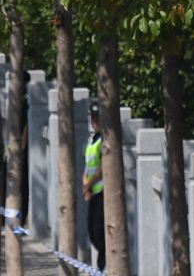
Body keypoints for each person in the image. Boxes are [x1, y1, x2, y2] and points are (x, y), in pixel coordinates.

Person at [84, 105, 106, 269]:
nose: (95, 122)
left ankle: (102, 266)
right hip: (92, 192)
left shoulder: (103, 141)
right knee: (92, 232)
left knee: (99, 233)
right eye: (93, 118)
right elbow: (88, 166)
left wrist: (88, 184)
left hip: (102, 191)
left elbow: (102, 169)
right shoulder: (92, 141)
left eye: (98, 118)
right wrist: (86, 186)